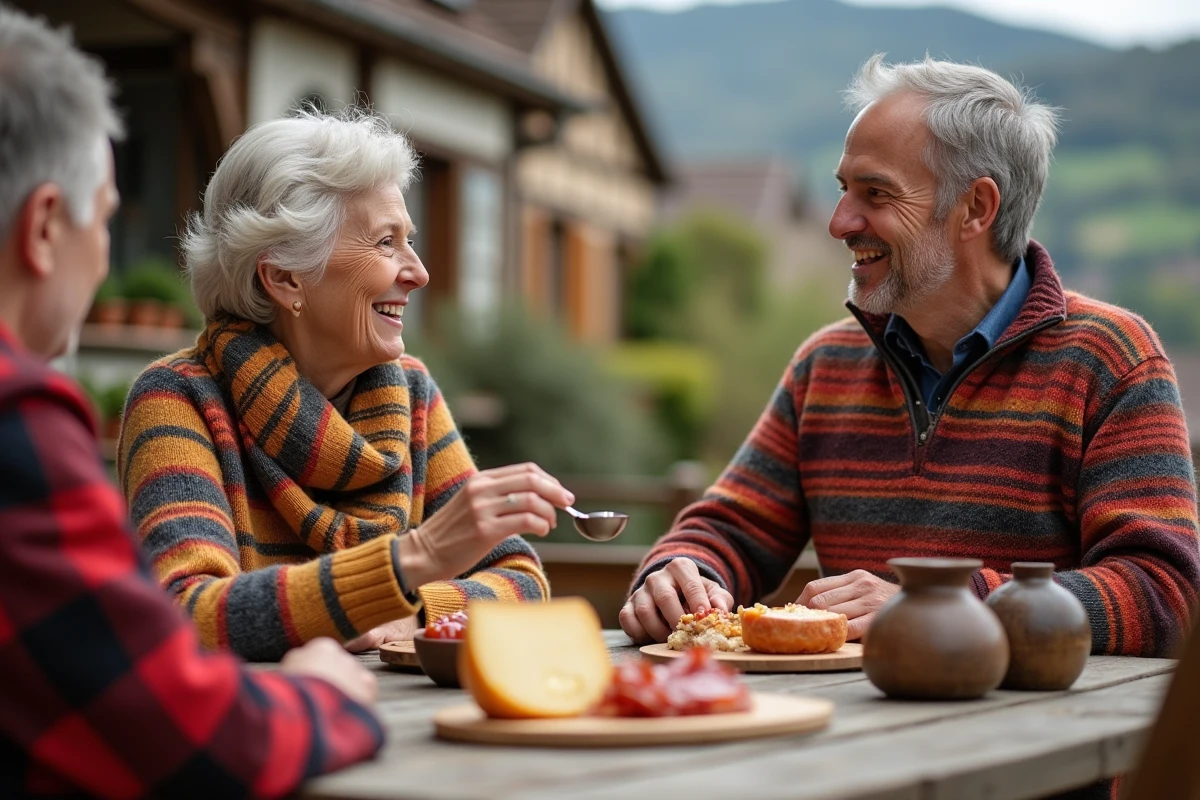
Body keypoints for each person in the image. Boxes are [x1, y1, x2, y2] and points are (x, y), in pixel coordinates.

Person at [621, 55, 1200, 658]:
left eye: (876, 193)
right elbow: (730, 529)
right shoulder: (825, 365)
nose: (839, 222)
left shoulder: (1112, 359)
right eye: (845, 189)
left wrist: (947, 605)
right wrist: (683, 572)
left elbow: (1164, 595)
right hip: (849, 741)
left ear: (976, 208)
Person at [0, 7, 384, 795]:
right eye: (105, 220)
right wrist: (323, 693)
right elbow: (191, 732)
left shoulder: (407, 390)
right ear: (44, 228)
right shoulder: (20, 423)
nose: (106, 258)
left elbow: (514, 575)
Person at [117, 108, 571, 661]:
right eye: (386, 243)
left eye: (410, 240)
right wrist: (410, 562)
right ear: (284, 276)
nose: (419, 272)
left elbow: (521, 579)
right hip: (264, 738)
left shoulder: (414, 394)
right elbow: (184, 614)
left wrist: (413, 606)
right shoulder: (177, 399)